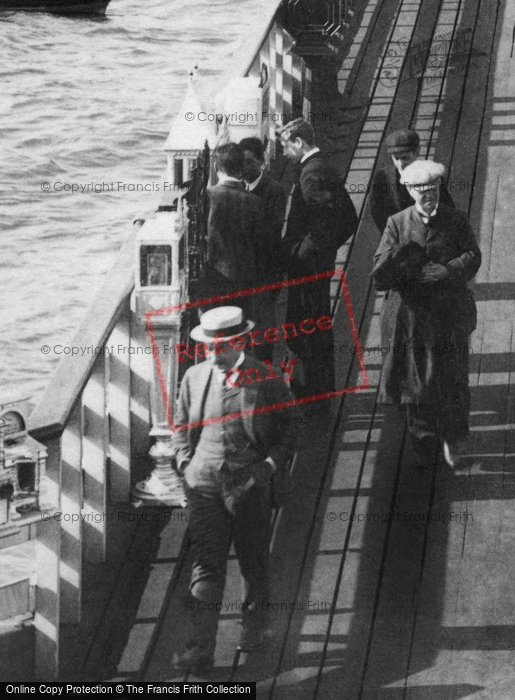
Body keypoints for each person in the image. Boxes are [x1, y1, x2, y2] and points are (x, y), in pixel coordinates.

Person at [171, 306, 299, 674]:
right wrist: (184, 462)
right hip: (203, 485)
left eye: (221, 349)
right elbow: (180, 423)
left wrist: (269, 466)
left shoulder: (268, 378)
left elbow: (292, 426)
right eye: (208, 349)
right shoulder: (194, 377)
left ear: (241, 341)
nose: (213, 357)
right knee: (206, 565)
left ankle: (255, 629)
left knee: (252, 561)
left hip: (248, 485)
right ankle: (199, 649)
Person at [371, 160, 481, 468]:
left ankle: (455, 437)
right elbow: (379, 272)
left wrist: (448, 270)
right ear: (409, 190)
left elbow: (472, 255)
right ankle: (424, 442)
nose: (428, 195)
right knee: (415, 380)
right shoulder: (397, 223)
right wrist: (403, 260)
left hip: (448, 316)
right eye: (421, 190)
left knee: (453, 377)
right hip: (411, 320)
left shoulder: (456, 220)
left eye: (433, 189)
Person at [278, 117, 359, 398]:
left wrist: (301, 252)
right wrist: (328, 249)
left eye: (286, 147)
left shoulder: (310, 175)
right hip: (318, 264)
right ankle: (320, 390)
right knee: (317, 326)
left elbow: (325, 224)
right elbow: (349, 219)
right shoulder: (322, 166)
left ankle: (312, 395)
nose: (285, 154)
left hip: (308, 269)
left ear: (299, 142)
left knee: (306, 330)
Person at [198, 142, 265, 317]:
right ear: (241, 168)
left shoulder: (207, 197)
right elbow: (260, 245)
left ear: (215, 166)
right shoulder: (255, 202)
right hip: (244, 281)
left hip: (213, 279)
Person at [239, 136, 287, 362]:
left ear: (261, 162)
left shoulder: (274, 191)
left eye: (249, 161)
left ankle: (265, 368)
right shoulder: (238, 189)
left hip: (266, 271)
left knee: (264, 327)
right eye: (241, 162)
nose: (244, 167)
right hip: (245, 273)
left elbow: (271, 230)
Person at [370, 129, 455, 235]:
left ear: (417, 152)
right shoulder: (382, 176)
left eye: (405, 158)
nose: (400, 164)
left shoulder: (431, 173)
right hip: (397, 235)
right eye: (396, 158)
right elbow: (377, 210)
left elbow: (447, 208)